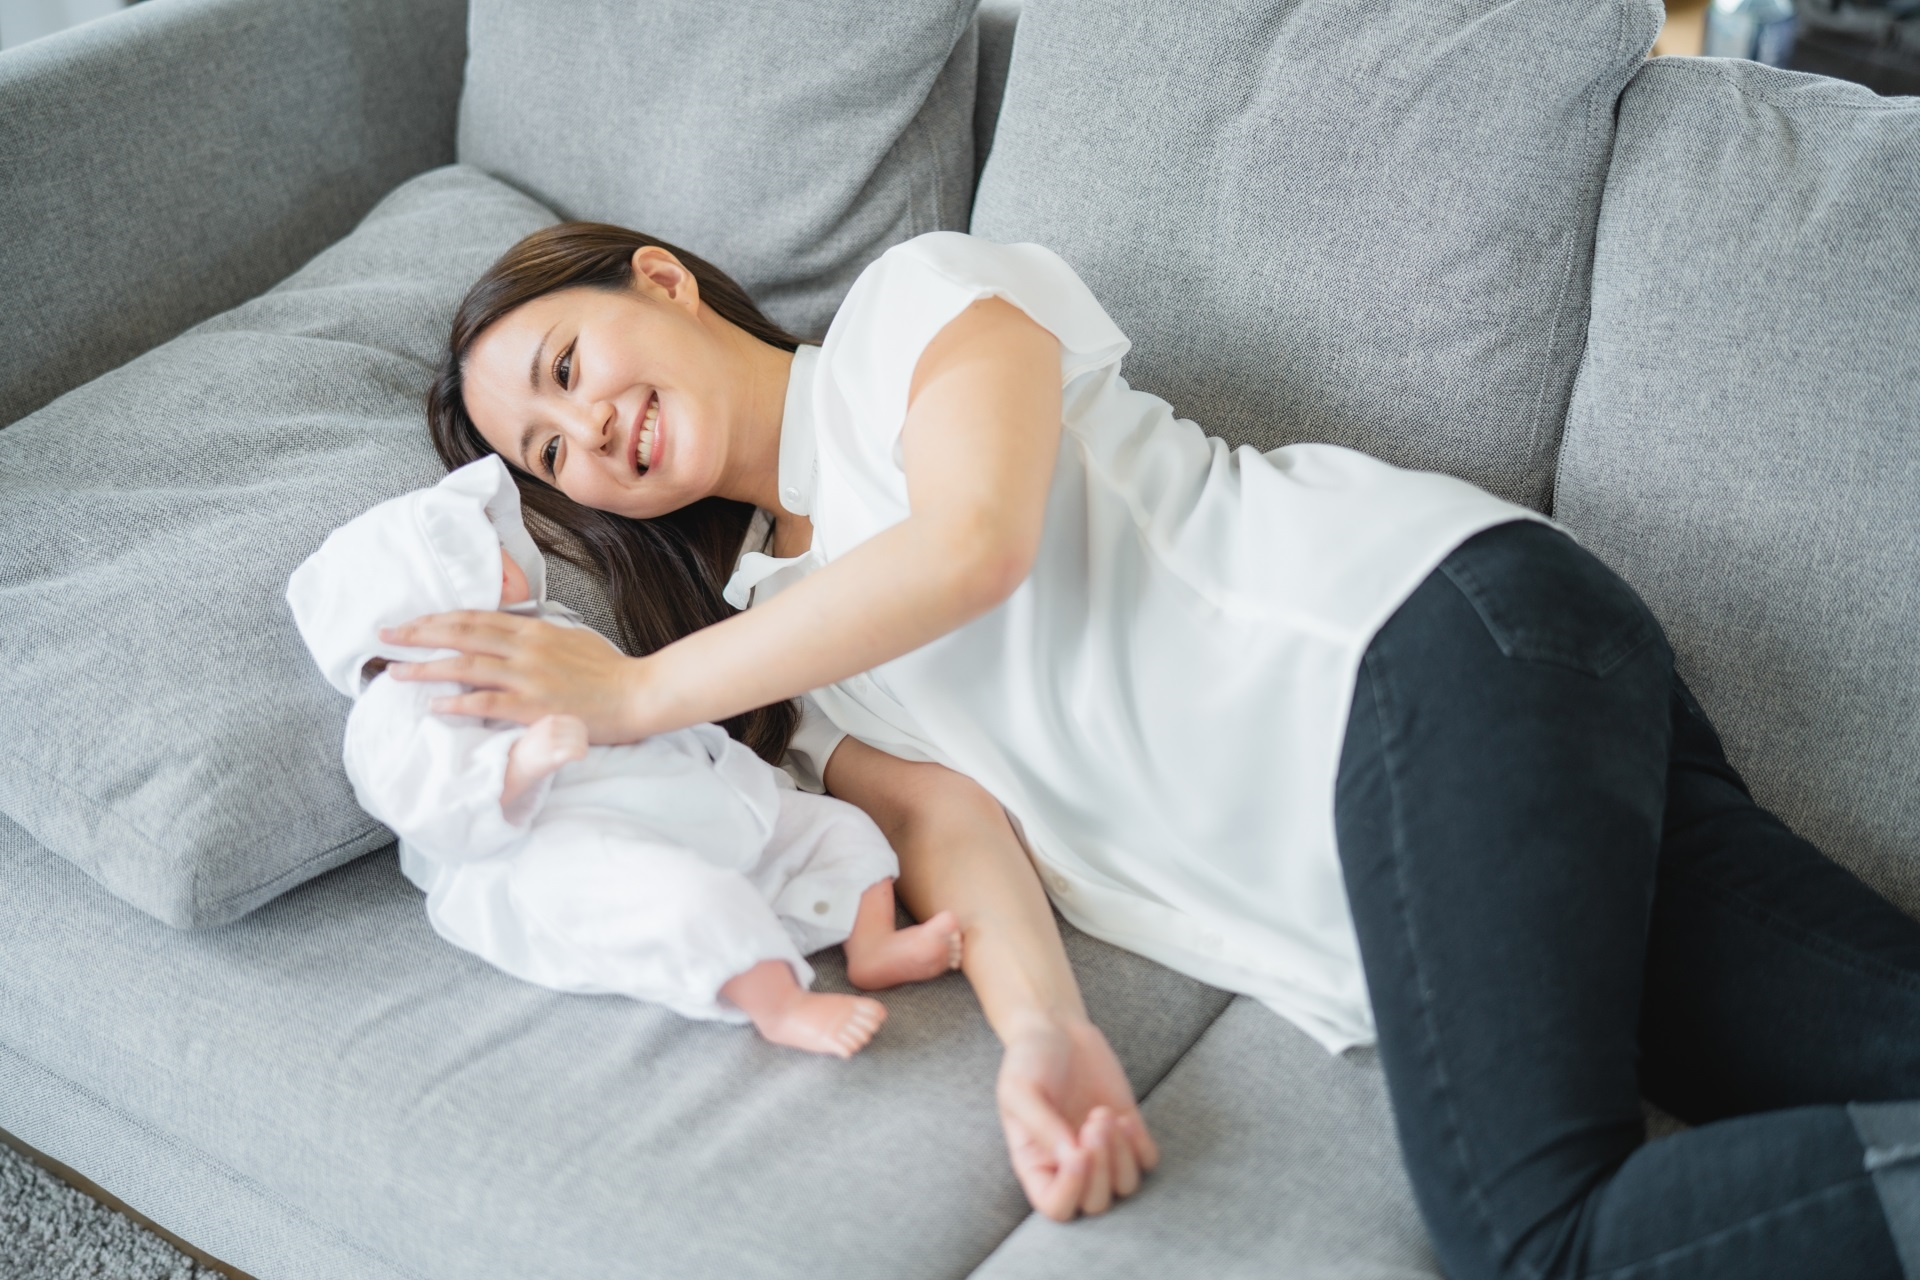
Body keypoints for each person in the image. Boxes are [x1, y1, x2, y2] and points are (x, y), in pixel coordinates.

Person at [377, 222, 1920, 1278]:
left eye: (570, 371)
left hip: (1428, 643)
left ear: (660, 282)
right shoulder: (795, 668)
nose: (592, 439)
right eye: (553, 455)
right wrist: (1044, 1034)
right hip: (1457, 804)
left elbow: (975, 540)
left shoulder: (916, 310)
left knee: (1536, 1237)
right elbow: (961, 834)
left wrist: (636, 693)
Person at [286, 454, 962, 1059]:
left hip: (677, 794)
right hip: (564, 840)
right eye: (481, 550)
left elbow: (630, 699)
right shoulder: (401, 706)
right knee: (686, 901)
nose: (509, 549)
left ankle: (873, 944)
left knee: (831, 824)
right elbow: (423, 804)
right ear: (430, 593)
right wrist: (518, 766)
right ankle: (781, 1005)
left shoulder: (549, 632)